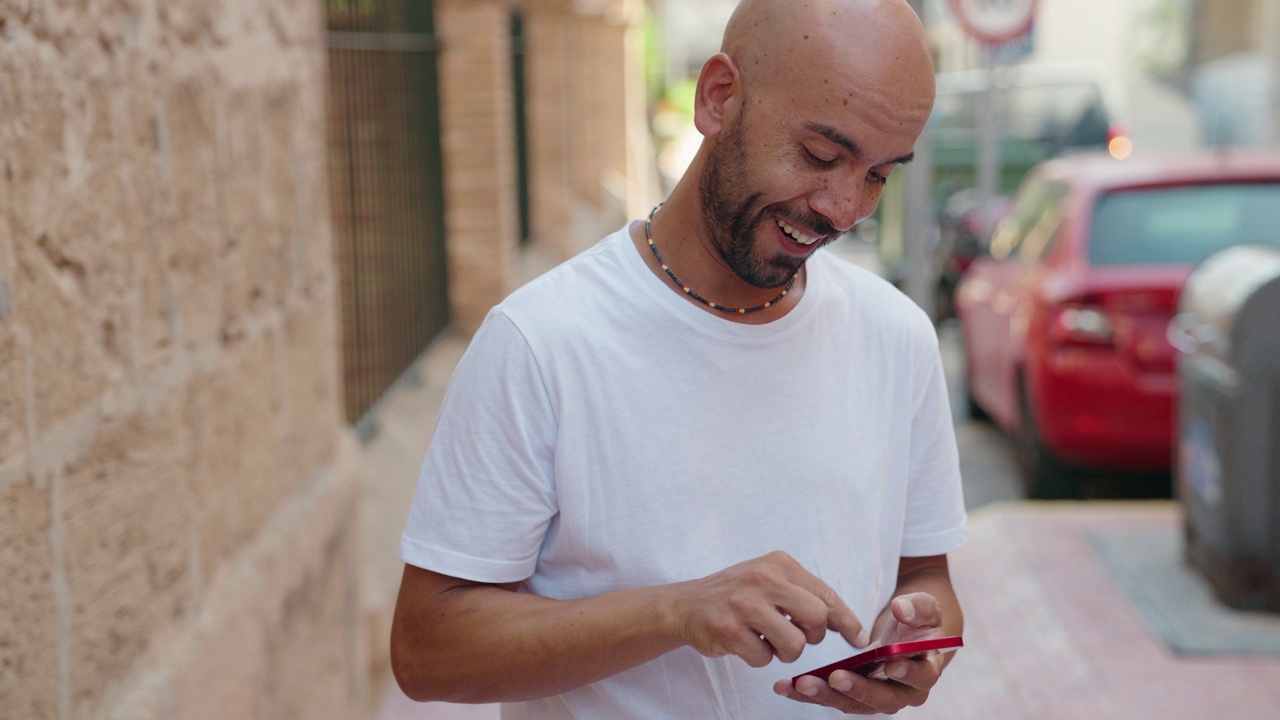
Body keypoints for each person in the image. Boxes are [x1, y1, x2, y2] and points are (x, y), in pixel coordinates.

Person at [390, 0, 967, 716]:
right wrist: (675, 613)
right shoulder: (541, 343)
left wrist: (922, 639)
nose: (846, 208)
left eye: (881, 174)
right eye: (821, 155)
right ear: (718, 97)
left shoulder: (898, 338)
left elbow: (928, 577)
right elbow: (427, 651)